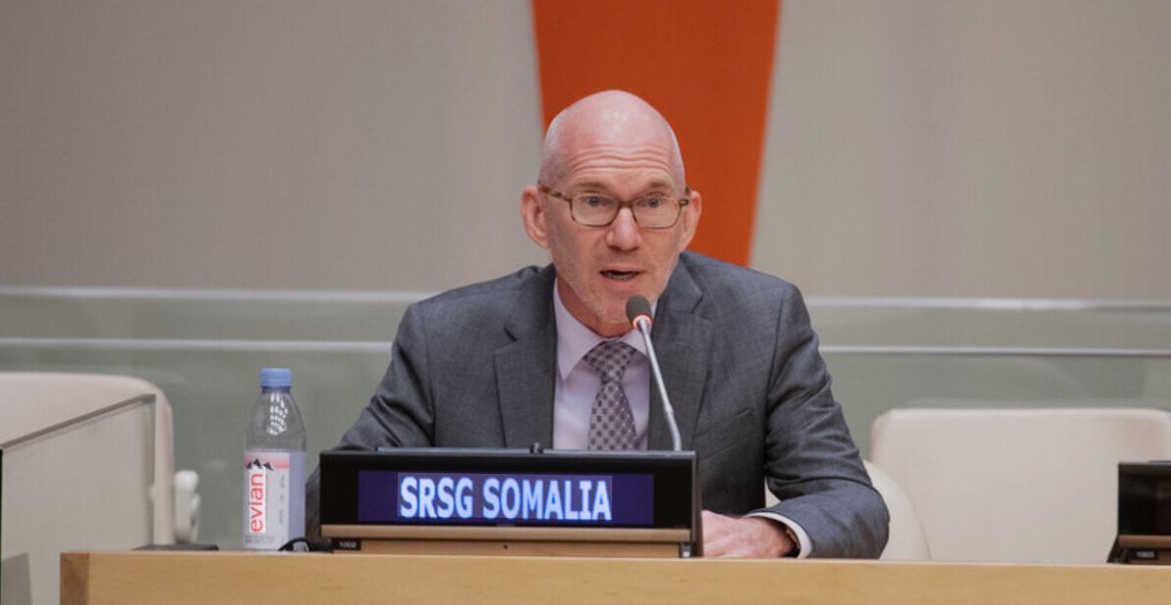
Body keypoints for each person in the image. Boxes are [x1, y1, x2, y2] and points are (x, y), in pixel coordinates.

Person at [306, 90, 888, 557]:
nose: (626, 236)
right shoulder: (449, 340)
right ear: (539, 215)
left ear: (687, 220)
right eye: (594, 202)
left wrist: (763, 535)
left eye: (653, 203)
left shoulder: (760, 323)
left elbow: (849, 501)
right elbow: (326, 504)